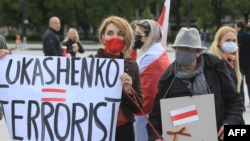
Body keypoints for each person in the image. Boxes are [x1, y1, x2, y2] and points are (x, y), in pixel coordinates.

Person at [147, 27, 245, 141]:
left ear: (198, 52)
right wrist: (155, 137)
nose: (182, 52)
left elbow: (235, 101)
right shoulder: (168, 78)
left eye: (187, 49)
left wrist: (229, 123)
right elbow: (154, 117)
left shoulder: (215, 67)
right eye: (179, 49)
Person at [90, 16, 143, 141]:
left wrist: (129, 90)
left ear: (126, 38)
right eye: (110, 33)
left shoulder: (131, 65)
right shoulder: (90, 63)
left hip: (123, 129)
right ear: (103, 37)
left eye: (120, 34)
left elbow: (138, 107)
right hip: (95, 126)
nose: (115, 38)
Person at [133, 19, 170, 141]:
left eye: (138, 34)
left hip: (145, 114)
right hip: (150, 112)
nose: (135, 37)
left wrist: (136, 113)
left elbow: (148, 91)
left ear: (150, 37)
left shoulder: (152, 57)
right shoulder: (155, 52)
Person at [209, 26, 242, 94]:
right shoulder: (214, 64)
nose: (231, 43)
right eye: (228, 40)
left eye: (234, 40)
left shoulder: (232, 62)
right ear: (219, 42)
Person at [235, 19, 250, 106]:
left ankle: (241, 103)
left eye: (235, 26)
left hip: (239, 63)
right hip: (248, 63)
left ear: (239, 27)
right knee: (249, 83)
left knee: (240, 83)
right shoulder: (248, 36)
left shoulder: (236, 37)